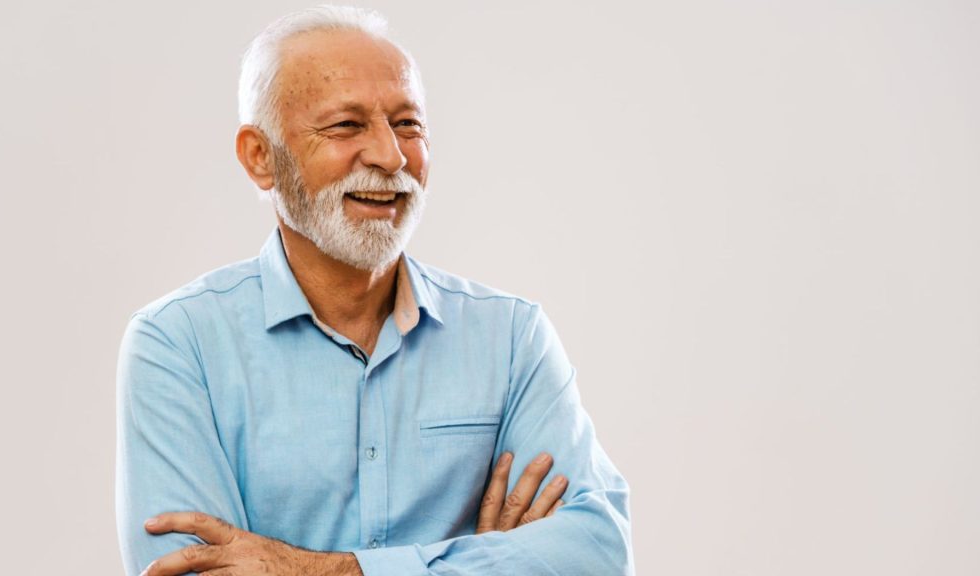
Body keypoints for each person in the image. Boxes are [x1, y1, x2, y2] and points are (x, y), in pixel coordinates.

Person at [116, 6, 633, 575]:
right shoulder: (176, 345)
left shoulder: (511, 338)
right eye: (346, 125)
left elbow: (598, 555)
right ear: (260, 157)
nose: (390, 156)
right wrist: (490, 561)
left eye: (408, 124)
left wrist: (319, 570)